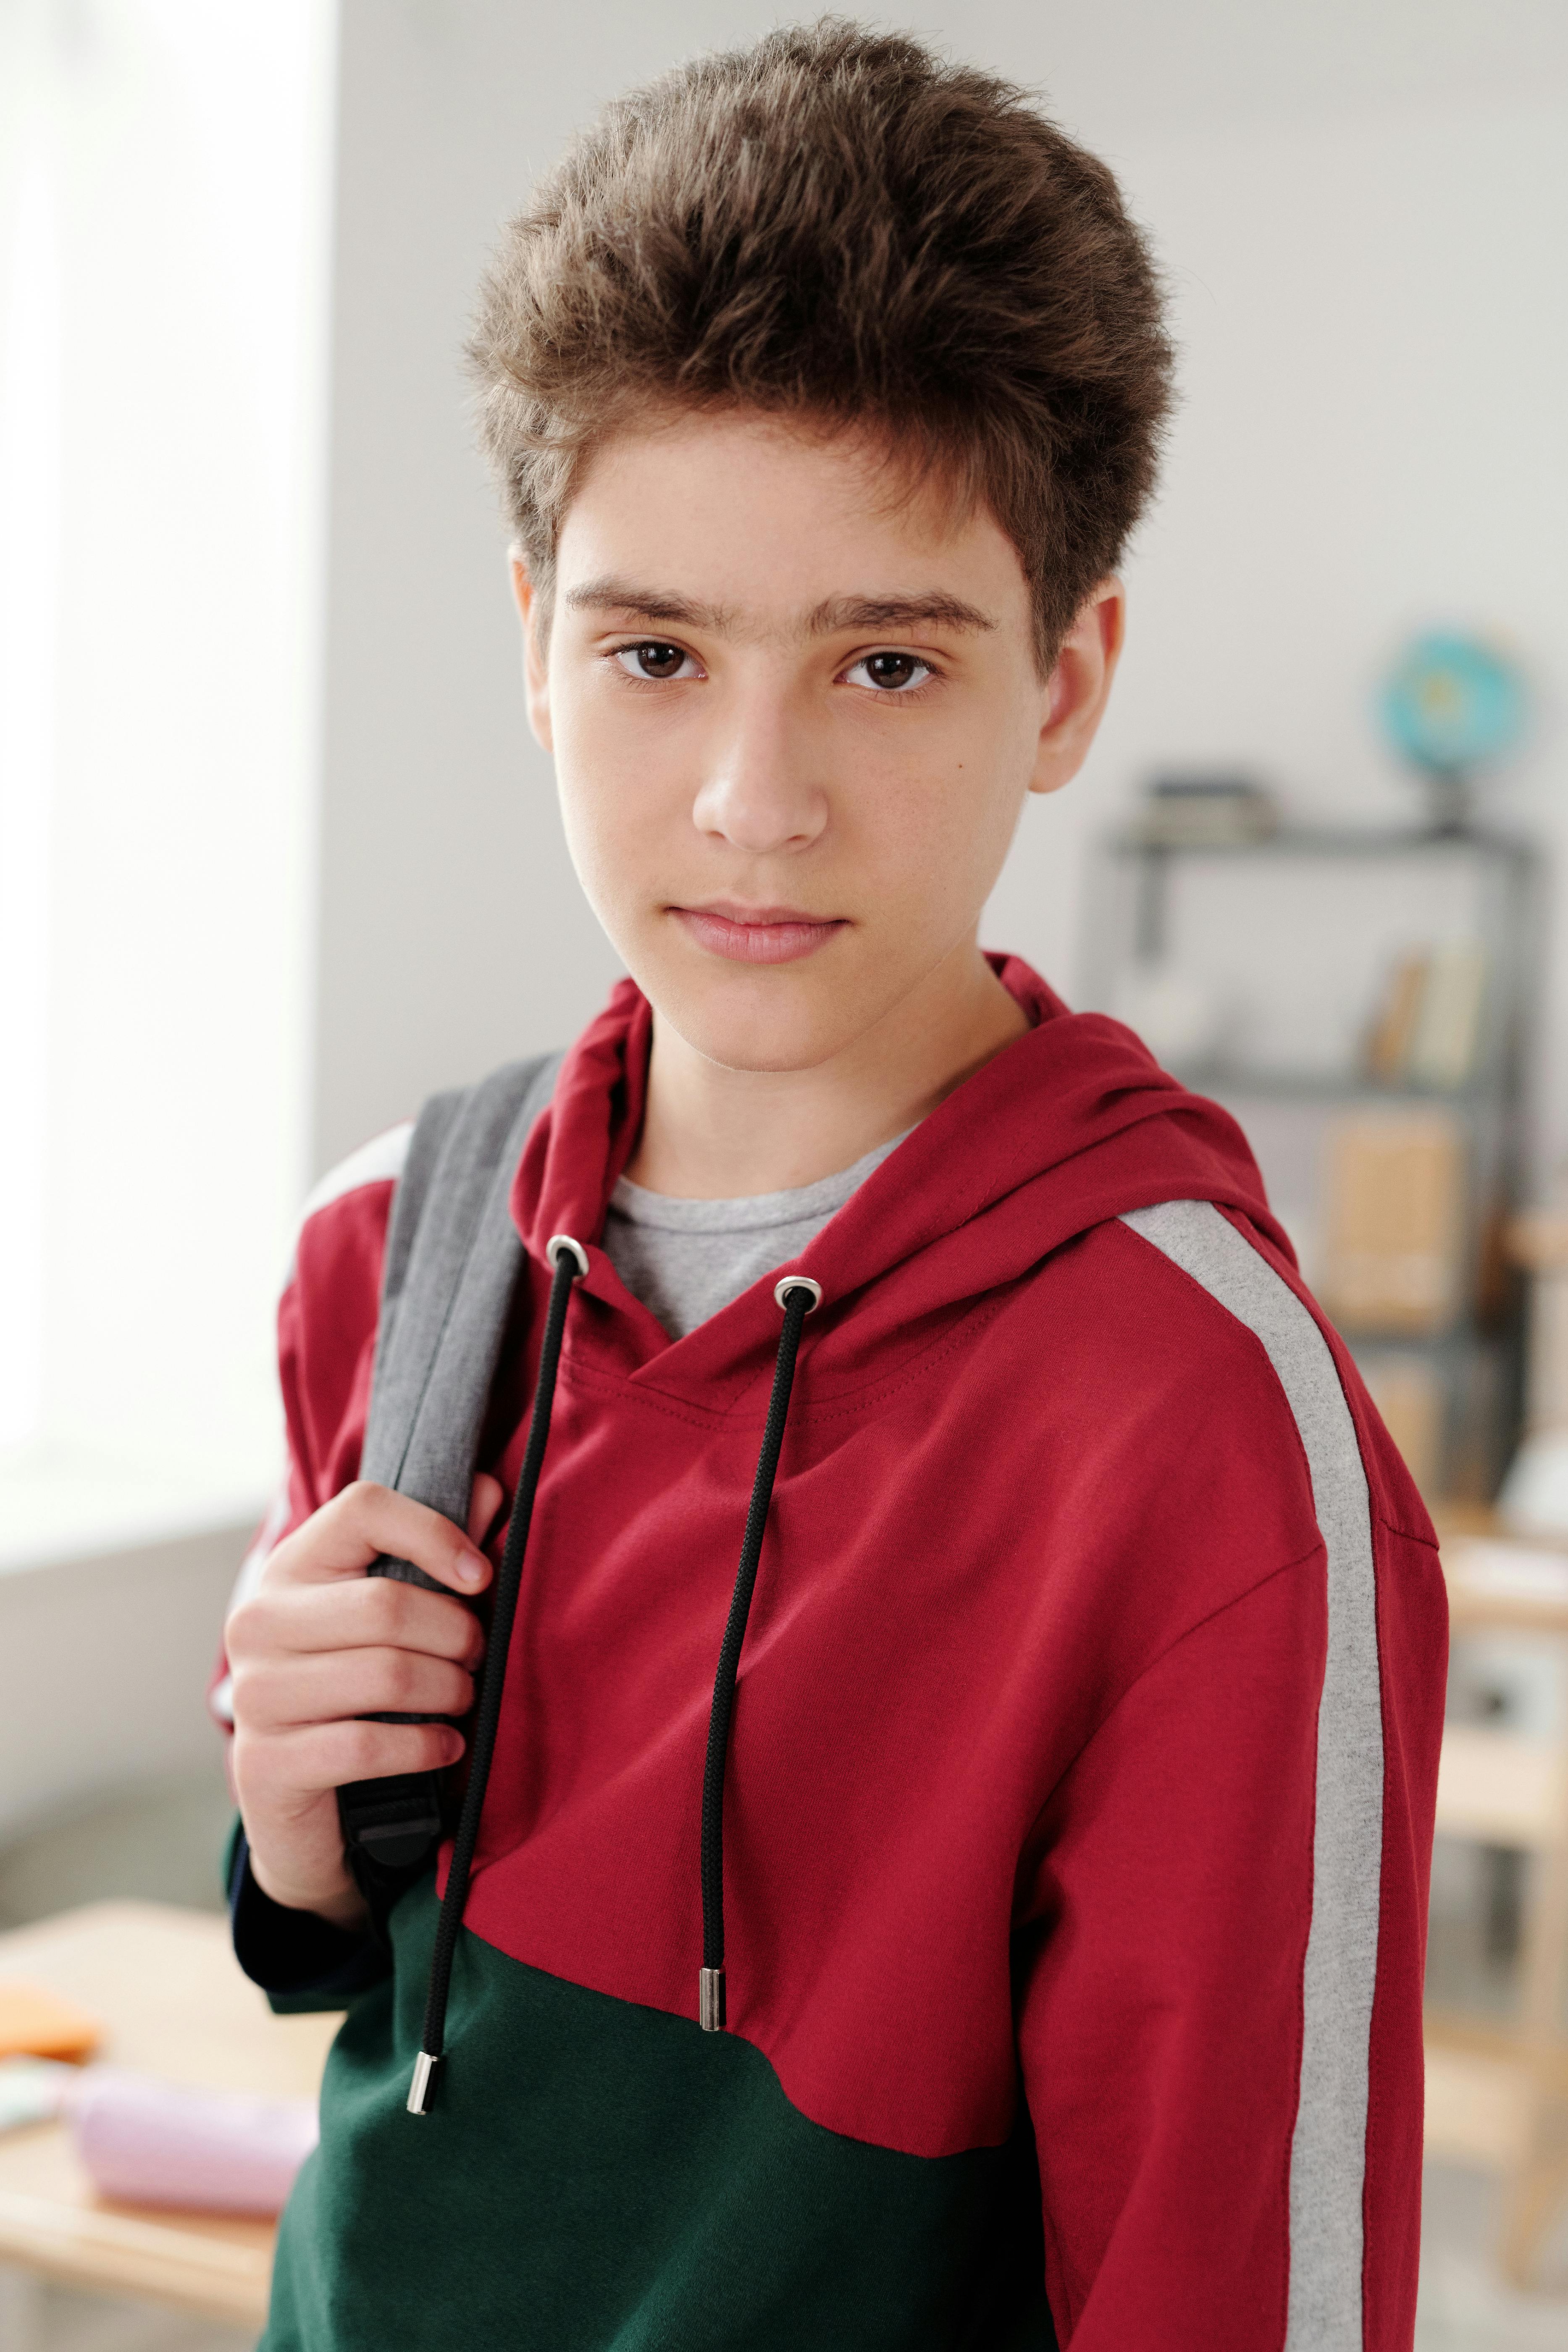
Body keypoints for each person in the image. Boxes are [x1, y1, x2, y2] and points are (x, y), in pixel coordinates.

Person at [214, 21, 1446, 2348]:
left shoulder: (1202, 1433)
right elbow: (357, 1988)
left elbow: (1229, 2301)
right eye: (655, 653)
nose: (752, 800)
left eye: (885, 662)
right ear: (532, 655)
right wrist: (295, 1824)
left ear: (1065, 683)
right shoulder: (388, 1243)